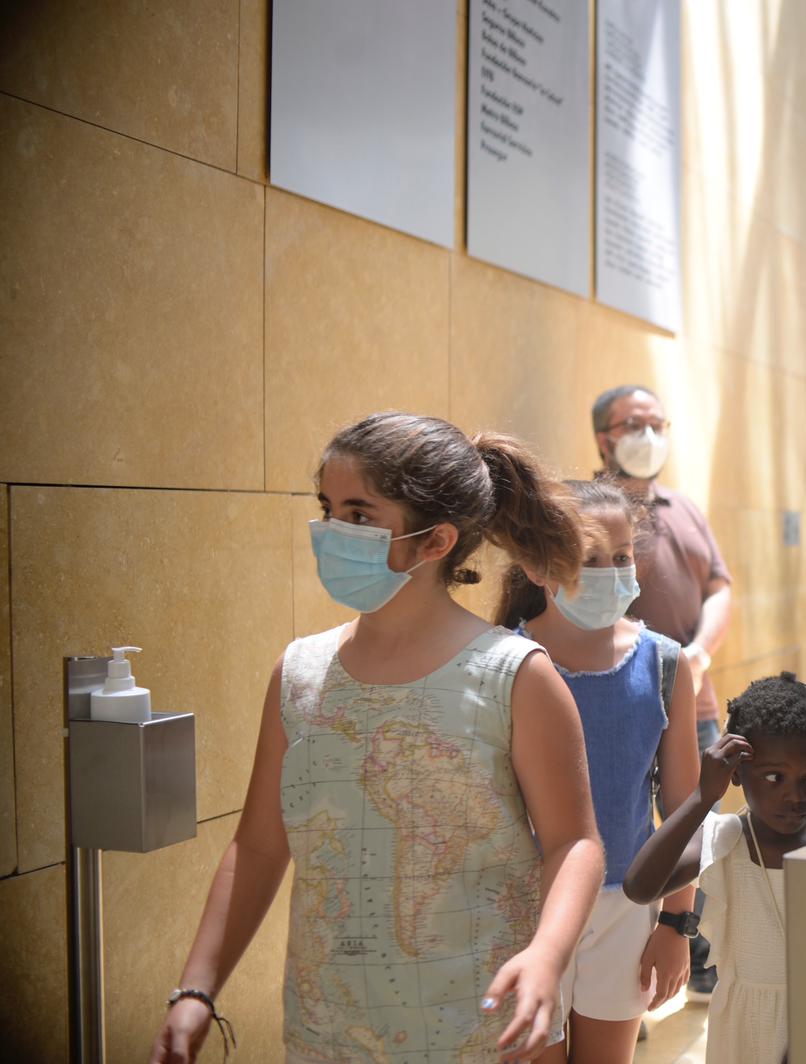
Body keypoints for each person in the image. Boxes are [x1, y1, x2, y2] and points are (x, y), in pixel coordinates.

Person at [148, 413, 605, 1064]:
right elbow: (256, 846)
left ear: (434, 541)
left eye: (359, 515)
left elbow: (575, 843)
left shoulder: (516, 677)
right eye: (327, 508)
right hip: (331, 1033)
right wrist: (197, 988)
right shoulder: (298, 673)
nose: (332, 531)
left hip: (490, 1034)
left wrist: (546, 957)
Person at [496, 479, 701, 1060]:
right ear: (538, 567)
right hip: (523, 910)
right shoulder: (502, 664)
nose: (610, 573)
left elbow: (683, 810)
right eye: (589, 559)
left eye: (621, 558)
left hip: (628, 909)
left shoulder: (665, 663)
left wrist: (676, 926)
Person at [623, 674, 806, 1064]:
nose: (795, 795)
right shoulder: (727, 841)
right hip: (745, 1034)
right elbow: (640, 886)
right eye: (774, 777)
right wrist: (701, 797)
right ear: (736, 773)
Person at [591, 384, 733, 998]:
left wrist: (698, 655)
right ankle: (619, 969)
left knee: (695, 821)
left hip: (693, 699)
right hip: (622, 702)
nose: (648, 436)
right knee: (630, 832)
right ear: (604, 438)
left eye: (657, 422)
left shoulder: (685, 507)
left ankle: (695, 952)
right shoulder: (593, 514)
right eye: (632, 424)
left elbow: (721, 587)